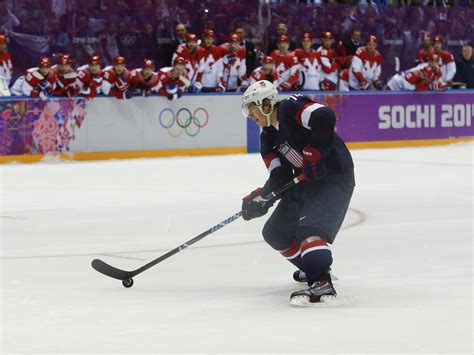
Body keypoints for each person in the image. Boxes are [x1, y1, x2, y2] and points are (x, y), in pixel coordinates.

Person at [240, 80, 355, 306]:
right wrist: (262, 197)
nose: (250, 115)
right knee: (275, 232)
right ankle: (311, 264)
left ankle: (321, 282)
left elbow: (325, 117)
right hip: (308, 182)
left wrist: (315, 152)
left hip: (334, 177)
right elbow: (280, 176)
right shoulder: (267, 137)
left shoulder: (290, 108)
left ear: (265, 103)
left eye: (251, 108)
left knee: (309, 229)